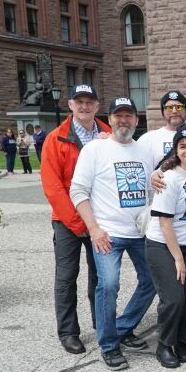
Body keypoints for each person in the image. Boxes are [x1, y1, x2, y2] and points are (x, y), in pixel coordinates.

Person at [70, 96, 156, 370]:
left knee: (152, 280)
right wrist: (94, 229)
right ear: (109, 119)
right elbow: (78, 191)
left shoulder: (143, 151)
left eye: (129, 115)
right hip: (107, 233)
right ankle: (109, 345)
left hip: (140, 233)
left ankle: (123, 326)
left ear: (137, 120)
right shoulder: (95, 150)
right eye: (118, 115)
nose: (123, 120)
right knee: (107, 285)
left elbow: (152, 189)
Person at [40, 84, 111, 354]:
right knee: (67, 278)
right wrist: (80, 223)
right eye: (79, 101)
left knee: (101, 277)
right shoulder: (55, 138)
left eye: (89, 102)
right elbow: (53, 187)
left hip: (101, 220)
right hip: (68, 221)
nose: (84, 106)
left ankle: (102, 322)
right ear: (70, 105)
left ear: (96, 105)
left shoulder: (108, 134)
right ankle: (69, 332)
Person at [145, 126, 186, 368]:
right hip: (163, 245)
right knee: (173, 299)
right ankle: (164, 343)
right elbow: (164, 223)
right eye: (182, 146)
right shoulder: (168, 179)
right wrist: (178, 259)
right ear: (176, 151)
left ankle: (181, 339)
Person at [137, 90, 186, 168]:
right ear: (163, 112)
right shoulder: (148, 139)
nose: (174, 111)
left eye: (179, 107)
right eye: (169, 107)